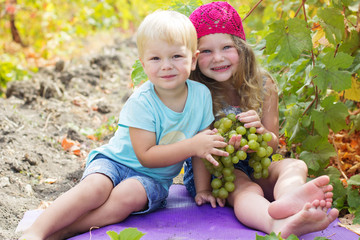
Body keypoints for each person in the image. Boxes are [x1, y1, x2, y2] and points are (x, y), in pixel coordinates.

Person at [19, 9, 229, 240]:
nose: (166, 65)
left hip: (153, 179)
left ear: (194, 60)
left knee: (126, 197)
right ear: (144, 64)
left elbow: (202, 150)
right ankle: (37, 230)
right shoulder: (142, 101)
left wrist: (203, 190)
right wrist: (193, 146)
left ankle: (68, 230)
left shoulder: (201, 96)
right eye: (155, 58)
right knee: (95, 189)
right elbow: (146, 155)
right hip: (115, 162)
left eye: (176, 56)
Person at [183, 1, 339, 238]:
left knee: (295, 165)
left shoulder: (264, 84)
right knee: (246, 188)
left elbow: (272, 145)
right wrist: (204, 188)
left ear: (242, 48)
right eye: (206, 51)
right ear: (194, 57)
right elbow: (197, 149)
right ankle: (274, 224)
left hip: (257, 161)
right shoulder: (198, 92)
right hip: (216, 170)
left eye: (226, 47)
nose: (217, 58)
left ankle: (290, 201)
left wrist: (261, 133)